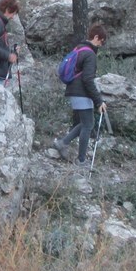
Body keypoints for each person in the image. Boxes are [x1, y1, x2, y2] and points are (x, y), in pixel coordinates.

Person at [52, 25, 108, 167]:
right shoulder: (89, 54)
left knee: (84, 123)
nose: (101, 45)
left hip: (74, 91)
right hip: (81, 92)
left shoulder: (78, 48)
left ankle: (62, 143)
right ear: (96, 37)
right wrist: (98, 101)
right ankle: (81, 160)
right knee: (88, 125)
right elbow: (88, 79)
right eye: (101, 42)